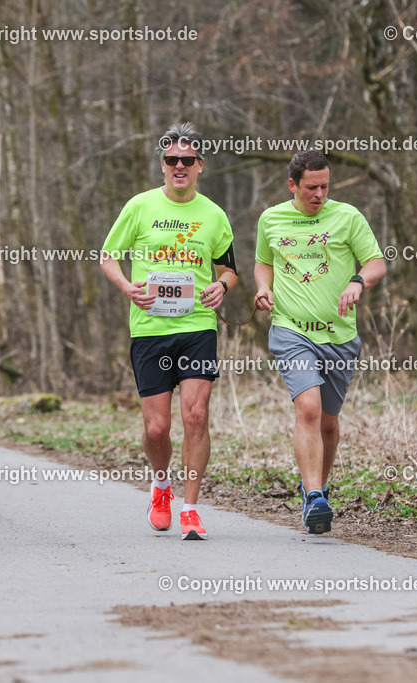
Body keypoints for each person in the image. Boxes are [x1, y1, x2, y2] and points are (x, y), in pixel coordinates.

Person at [100, 122, 238, 541]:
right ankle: (161, 485)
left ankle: (191, 509)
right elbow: (108, 256)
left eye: (187, 160)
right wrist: (126, 287)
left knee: (196, 416)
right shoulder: (139, 206)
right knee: (157, 428)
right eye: (171, 160)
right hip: (149, 329)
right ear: (162, 166)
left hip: (197, 326)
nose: (179, 166)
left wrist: (221, 286)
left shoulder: (213, 215)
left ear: (200, 165)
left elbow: (229, 269)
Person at [254, 150, 386, 534]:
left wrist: (358, 282)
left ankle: (320, 486)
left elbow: (376, 263)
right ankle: (313, 496)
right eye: (311, 187)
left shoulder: (347, 217)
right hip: (291, 330)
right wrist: (263, 288)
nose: (319, 194)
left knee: (328, 420)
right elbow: (264, 261)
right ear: (292, 185)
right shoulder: (271, 219)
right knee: (308, 409)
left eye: (325, 186)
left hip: (340, 335)